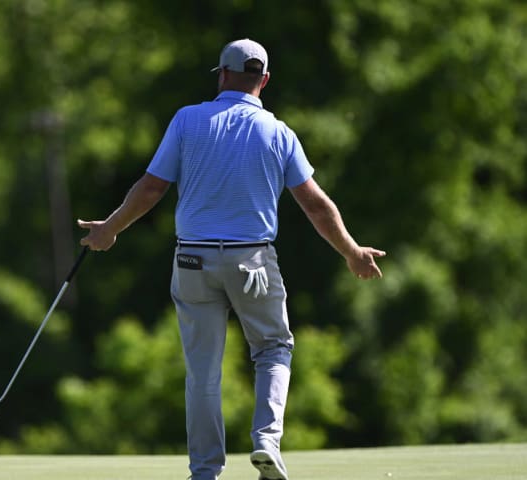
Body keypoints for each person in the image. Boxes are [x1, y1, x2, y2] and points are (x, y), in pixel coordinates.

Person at [77, 38, 386, 480]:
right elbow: (316, 205)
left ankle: (204, 472)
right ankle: (266, 443)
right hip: (253, 262)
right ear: (264, 80)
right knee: (273, 349)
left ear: (222, 75)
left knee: (202, 372)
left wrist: (109, 229)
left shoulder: (187, 120)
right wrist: (352, 252)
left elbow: (151, 188)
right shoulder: (278, 133)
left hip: (192, 262)